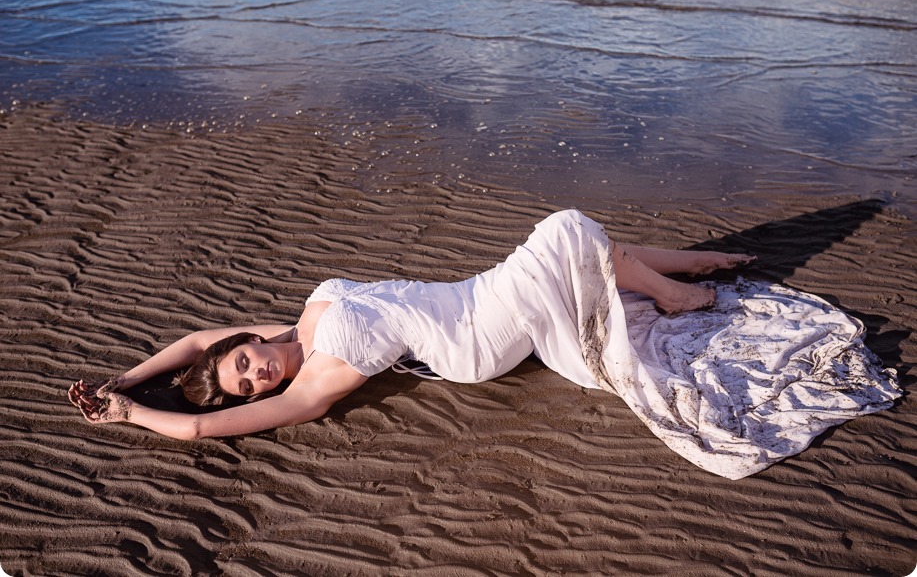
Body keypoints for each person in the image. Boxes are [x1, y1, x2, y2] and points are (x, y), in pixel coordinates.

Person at [68, 209, 899, 479]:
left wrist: (126, 375)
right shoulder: (317, 376)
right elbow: (209, 425)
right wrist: (136, 418)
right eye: (251, 384)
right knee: (565, 232)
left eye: (243, 363)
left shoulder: (302, 315)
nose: (256, 375)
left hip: (476, 295)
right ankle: (679, 282)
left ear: (246, 341)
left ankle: (684, 266)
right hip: (476, 342)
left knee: (568, 246)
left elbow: (189, 338)